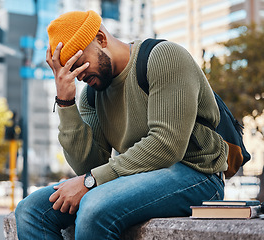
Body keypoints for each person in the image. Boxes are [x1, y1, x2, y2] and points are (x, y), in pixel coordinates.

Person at [15, 10, 228, 240]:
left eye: (78, 64)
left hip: (197, 174)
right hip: (134, 177)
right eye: (70, 70)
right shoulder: (91, 95)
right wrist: (66, 104)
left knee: (94, 209)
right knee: (31, 211)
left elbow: (167, 145)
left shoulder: (163, 57)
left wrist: (91, 181)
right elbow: (91, 164)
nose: (78, 76)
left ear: (101, 39)